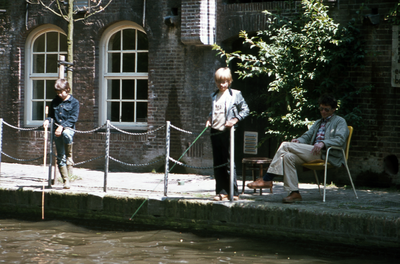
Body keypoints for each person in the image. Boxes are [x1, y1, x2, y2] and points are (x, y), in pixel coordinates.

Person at [247, 94, 349, 203]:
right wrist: (299, 140)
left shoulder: (340, 121)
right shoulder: (319, 122)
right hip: (313, 152)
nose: (323, 112)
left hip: (327, 154)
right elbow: (307, 136)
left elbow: (340, 139)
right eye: (321, 109)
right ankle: (294, 193)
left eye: (326, 110)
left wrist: (323, 143)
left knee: (285, 145)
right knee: (287, 156)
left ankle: (267, 178)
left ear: (333, 109)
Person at [206, 67, 250, 201]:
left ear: (229, 81)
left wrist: (235, 120)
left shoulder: (235, 94)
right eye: (219, 81)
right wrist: (209, 118)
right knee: (218, 162)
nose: (222, 84)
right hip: (215, 131)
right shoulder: (214, 95)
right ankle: (221, 191)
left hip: (228, 132)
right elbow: (214, 111)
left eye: (224, 81)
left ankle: (234, 192)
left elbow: (245, 110)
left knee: (229, 163)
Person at [43, 79, 80, 189]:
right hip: (56, 131)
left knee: (66, 134)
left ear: (67, 89)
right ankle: (65, 181)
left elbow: (73, 118)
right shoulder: (55, 101)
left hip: (68, 129)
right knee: (60, 157)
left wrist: (62, 126)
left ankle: (69, 155)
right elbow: (51, 116)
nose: (59, 94)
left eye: (61, 92)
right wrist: (47, 120)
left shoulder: (74, 102)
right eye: (57, 92)